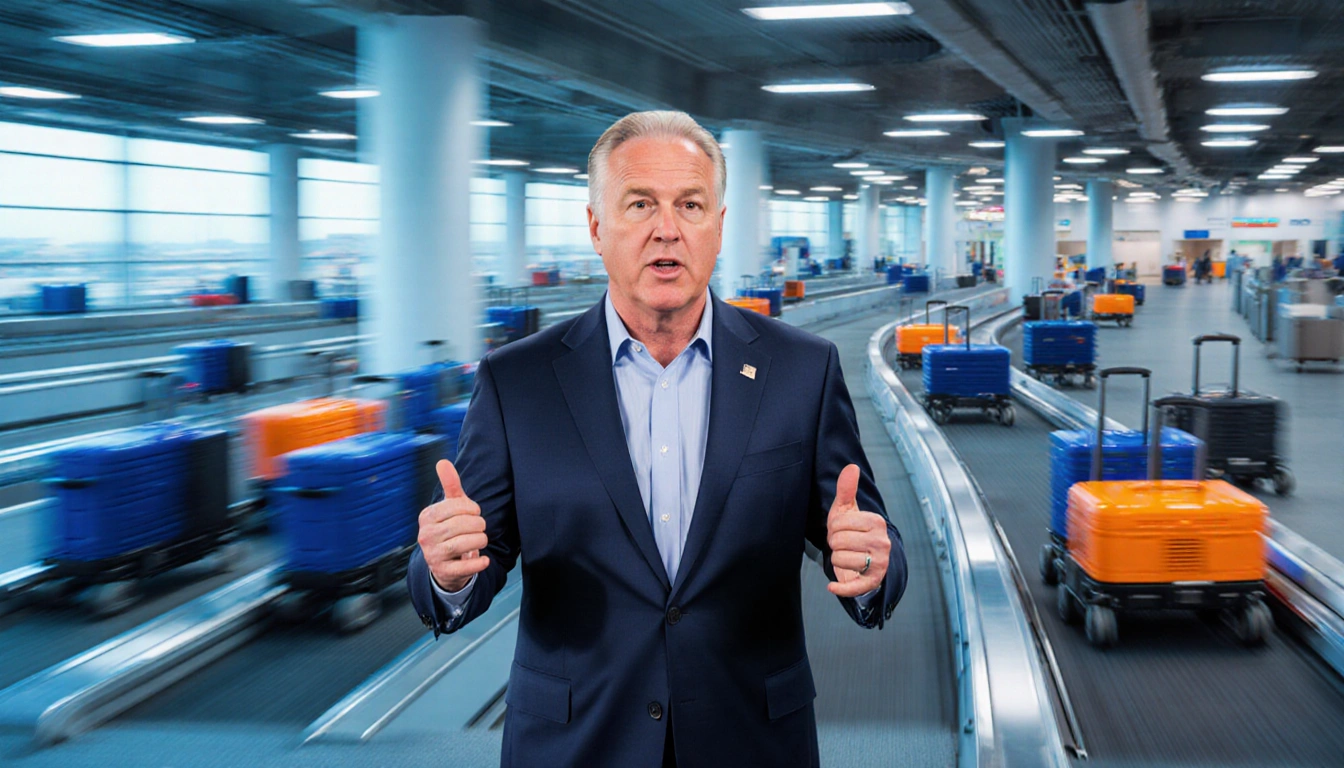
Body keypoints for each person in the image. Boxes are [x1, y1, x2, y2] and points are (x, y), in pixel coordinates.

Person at [408, 111, 907, 768]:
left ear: (718, 227)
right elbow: (475, 558)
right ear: (596, 228)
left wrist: (871, 564)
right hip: (575, 746)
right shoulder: (517, 382)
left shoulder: (801, 370)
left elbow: (866, 534)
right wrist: (445, 573)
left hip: (752, 742)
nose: (666, 228)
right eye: (640, 203)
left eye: (690, 205)